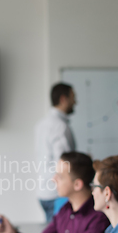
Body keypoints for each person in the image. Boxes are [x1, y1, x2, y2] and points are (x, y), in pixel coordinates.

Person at [0, 152, 109, 233]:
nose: (53, 179)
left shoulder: (99, 218)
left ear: (77, 184)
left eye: (60, 176)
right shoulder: (66, 210)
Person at [34, 83, 77, 222]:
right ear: (63, 99)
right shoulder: (60, 127)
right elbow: (64, 163)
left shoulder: (41, 124)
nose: (76, 102)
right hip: (57, 194)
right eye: (73, 97)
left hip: (43, 191)